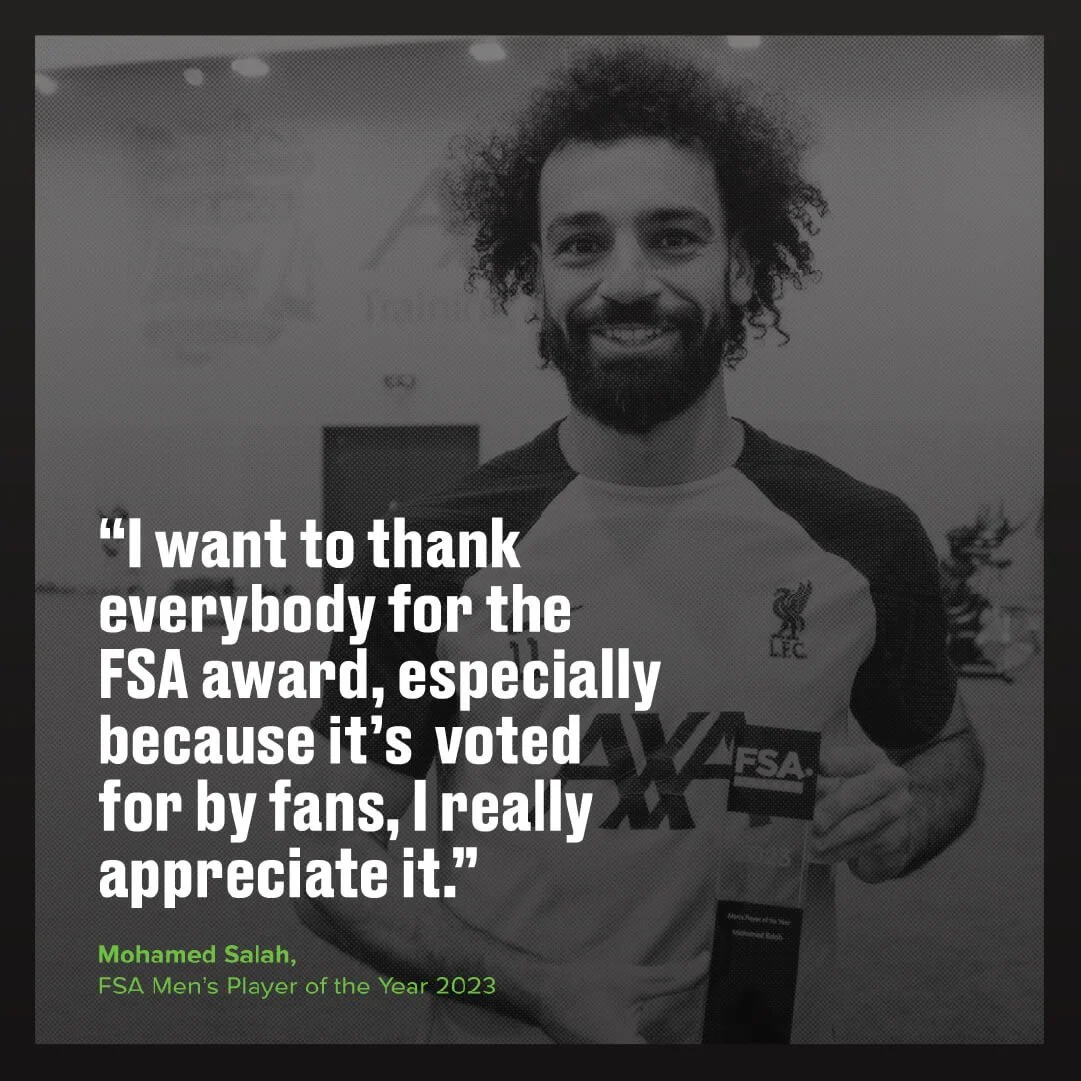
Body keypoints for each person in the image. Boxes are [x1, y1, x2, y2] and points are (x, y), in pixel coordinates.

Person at [296, 42, 985, 1043]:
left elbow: (947, 755)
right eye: (579, 244)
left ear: (740, 266)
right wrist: (535, 987)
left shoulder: (859, 538)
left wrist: (906, 812)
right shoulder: (430, 550)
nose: (624, 282)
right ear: (533, 277)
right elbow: (327, 869)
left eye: (671, 237)